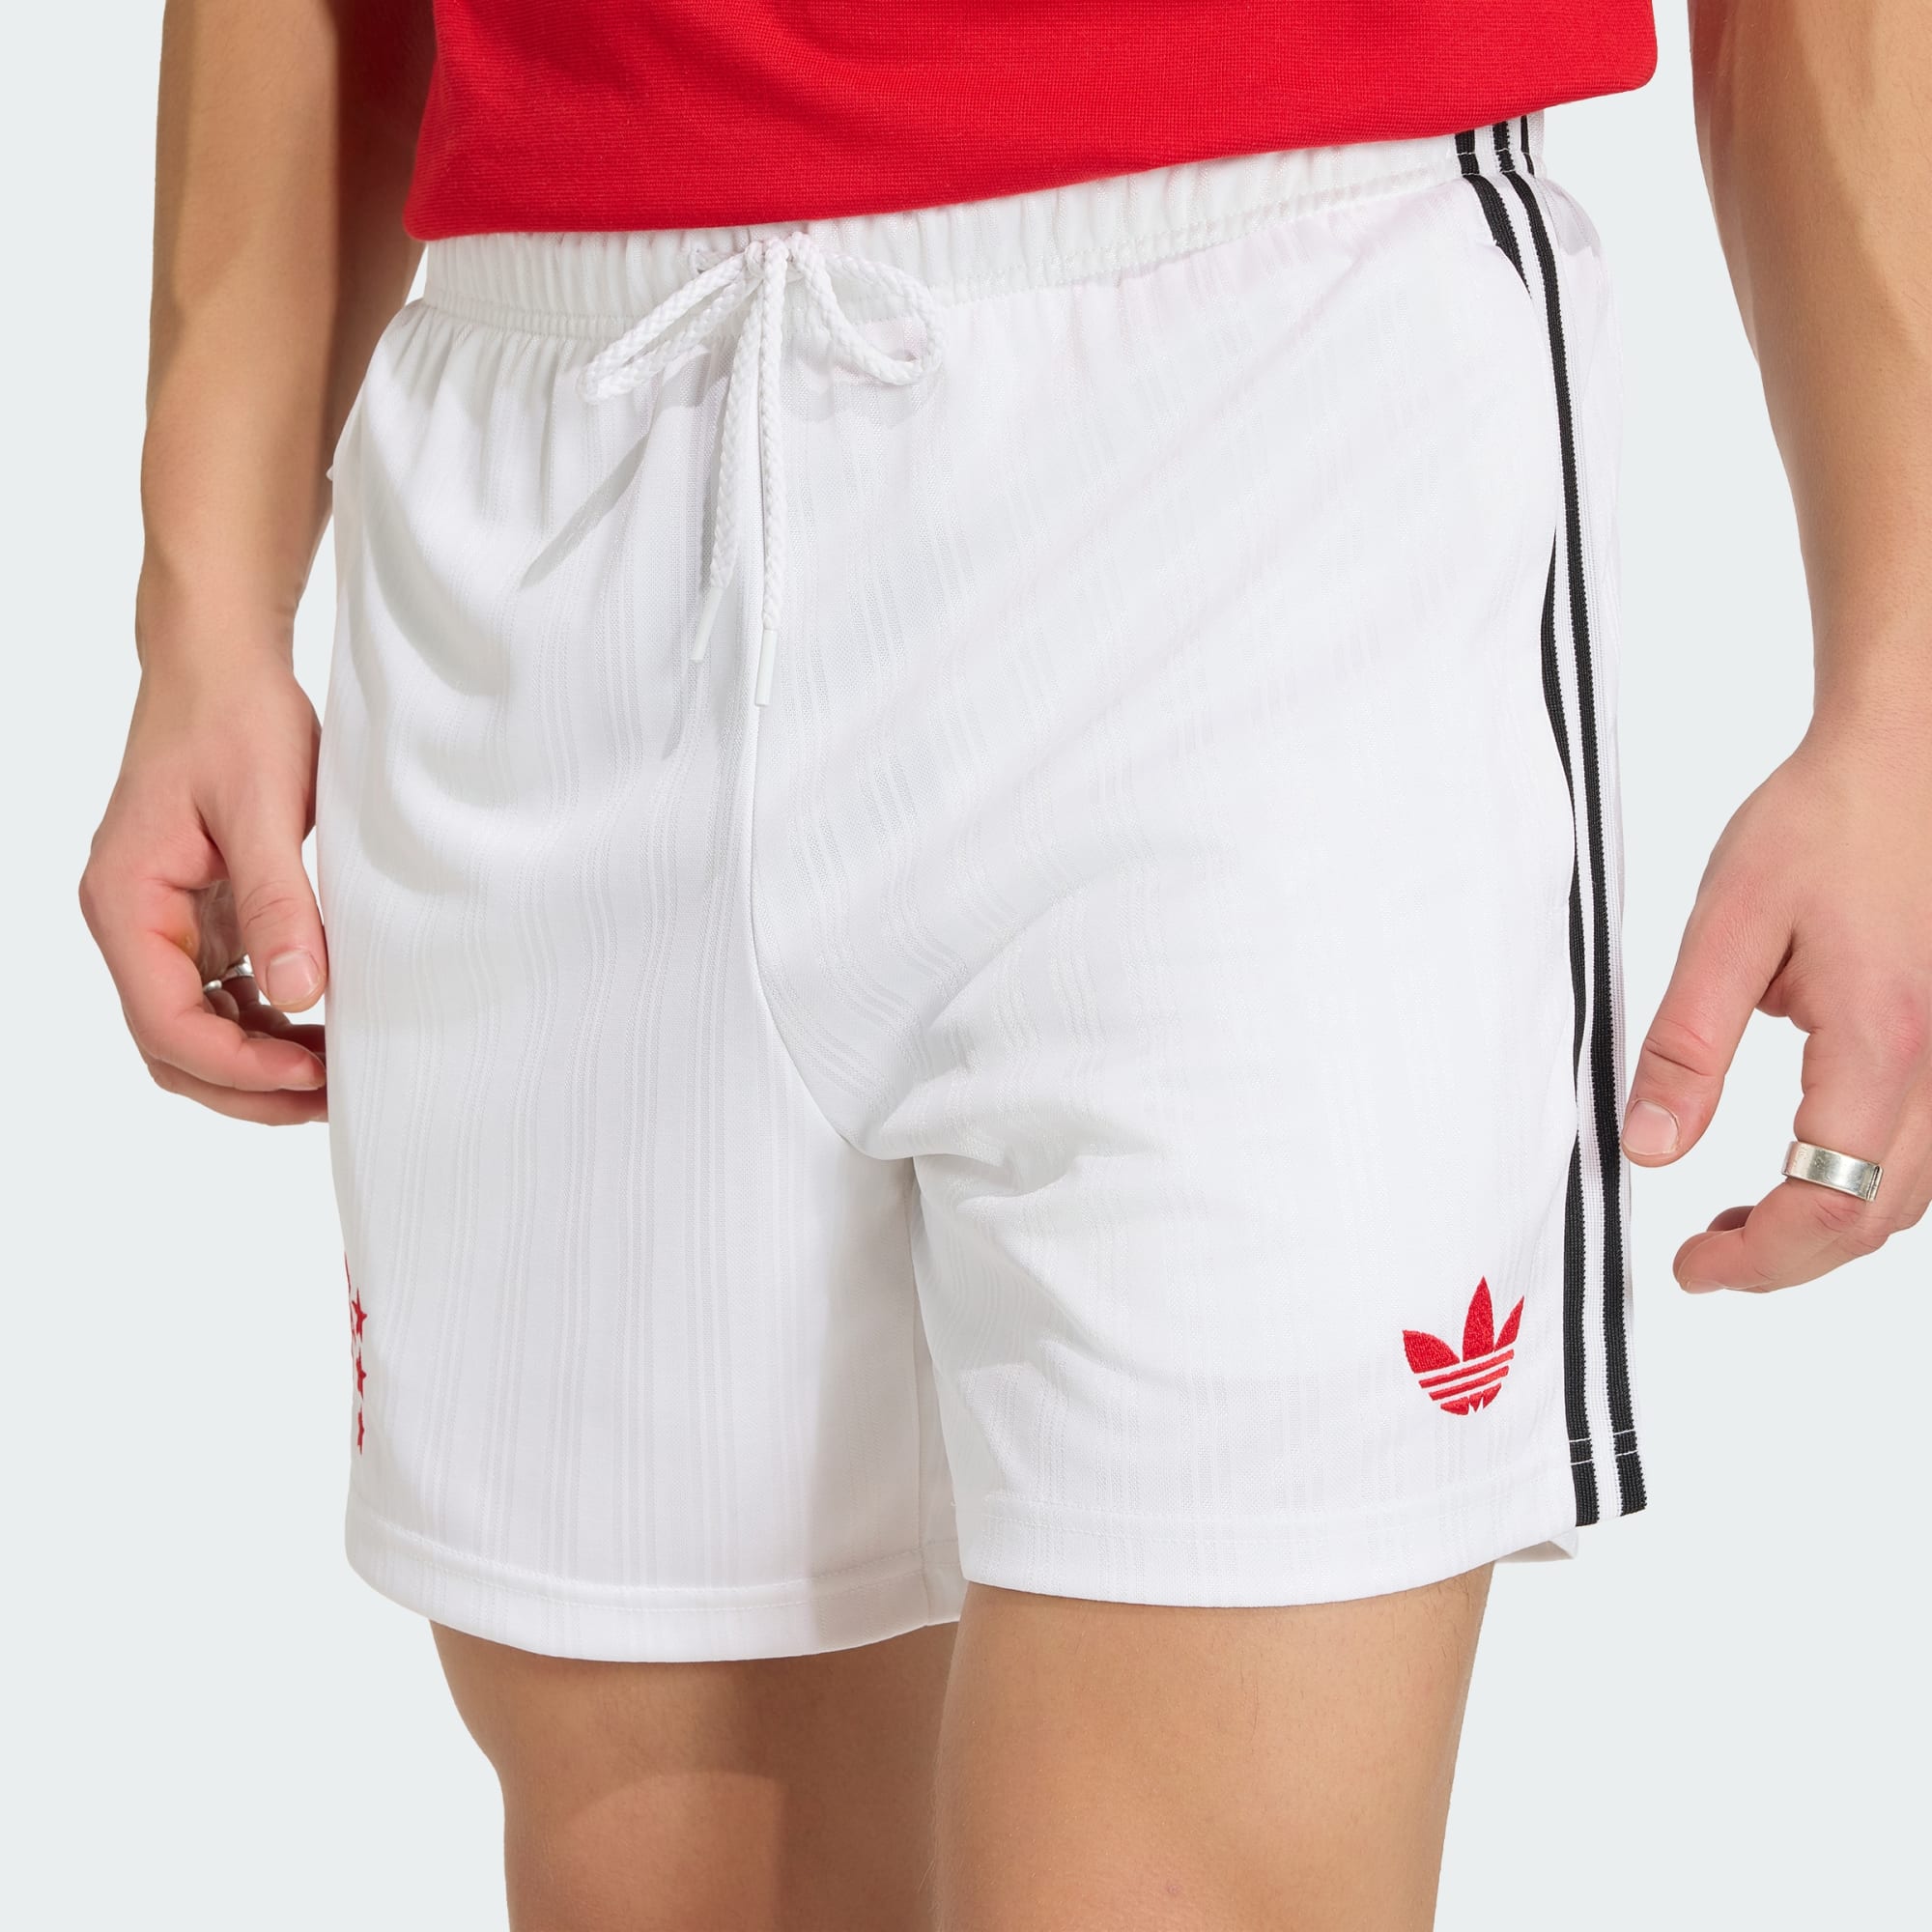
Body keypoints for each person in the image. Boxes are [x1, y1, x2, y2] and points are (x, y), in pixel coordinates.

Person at [80, 3, 1930, 1926]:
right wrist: (202, 605)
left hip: (1263, 420)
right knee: (666, 1870)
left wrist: (1902, 684)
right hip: (557, 473)